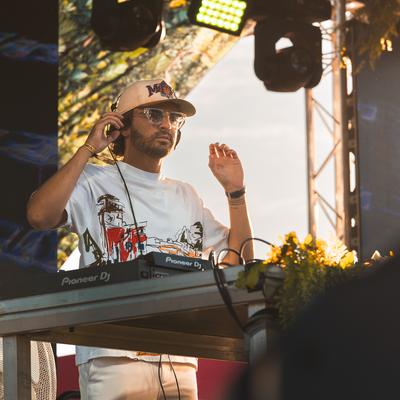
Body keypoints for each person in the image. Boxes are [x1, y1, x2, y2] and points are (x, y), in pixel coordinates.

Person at [27, 78, 254, 400]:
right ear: (121, 126)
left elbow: (238, 261)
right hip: (112, 353)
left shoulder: (186, 194)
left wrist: (235, 193)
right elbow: (39, 216)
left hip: (180, 356)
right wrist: (88, 149)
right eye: (153, 114)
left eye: (174, 118)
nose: (166, 125)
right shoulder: (92, 179)